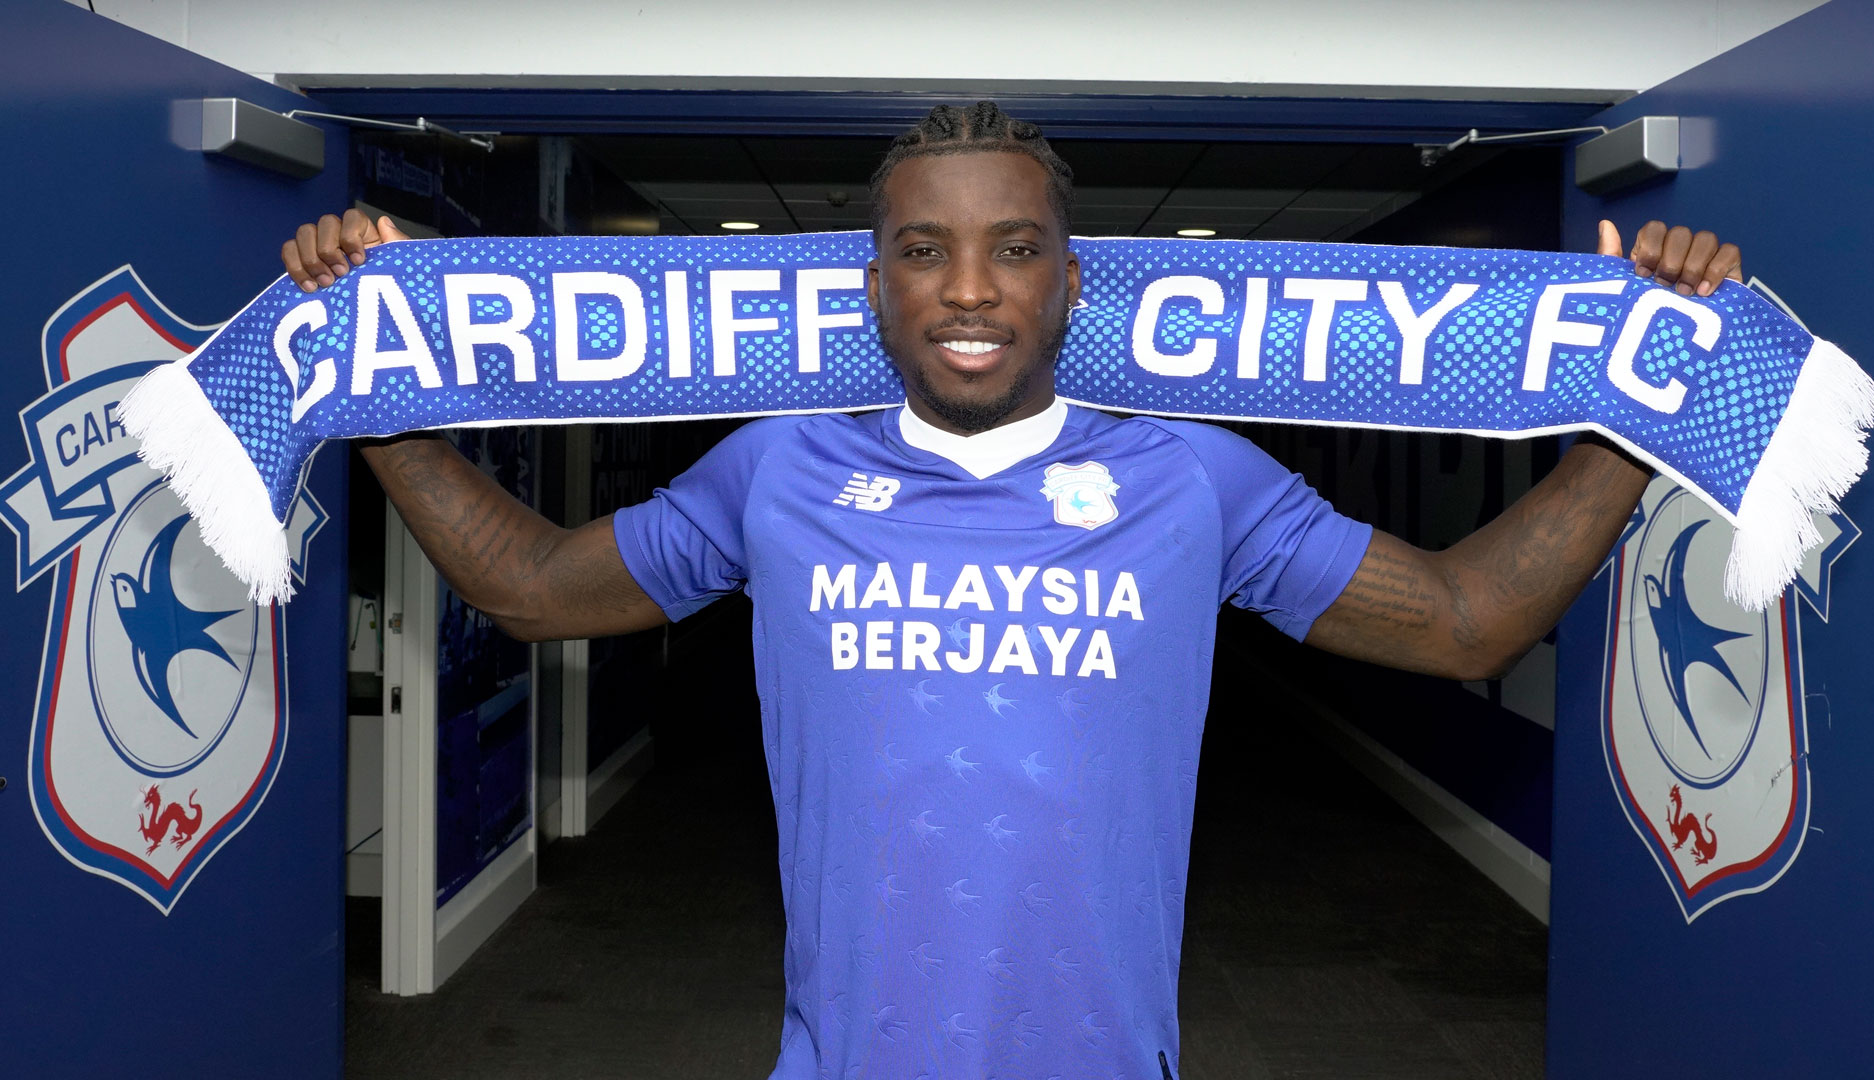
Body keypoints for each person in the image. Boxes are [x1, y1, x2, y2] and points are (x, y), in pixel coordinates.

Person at [282, 102, 1741, 1078]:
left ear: (1070, 285)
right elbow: (533, 587)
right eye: (924, 251)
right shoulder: (776, 475)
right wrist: (376, 393)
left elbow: (1473, 618)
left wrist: (1638, 415)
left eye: (1014, 249)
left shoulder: (1191, 481)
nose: (968, 288)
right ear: (875, 285)